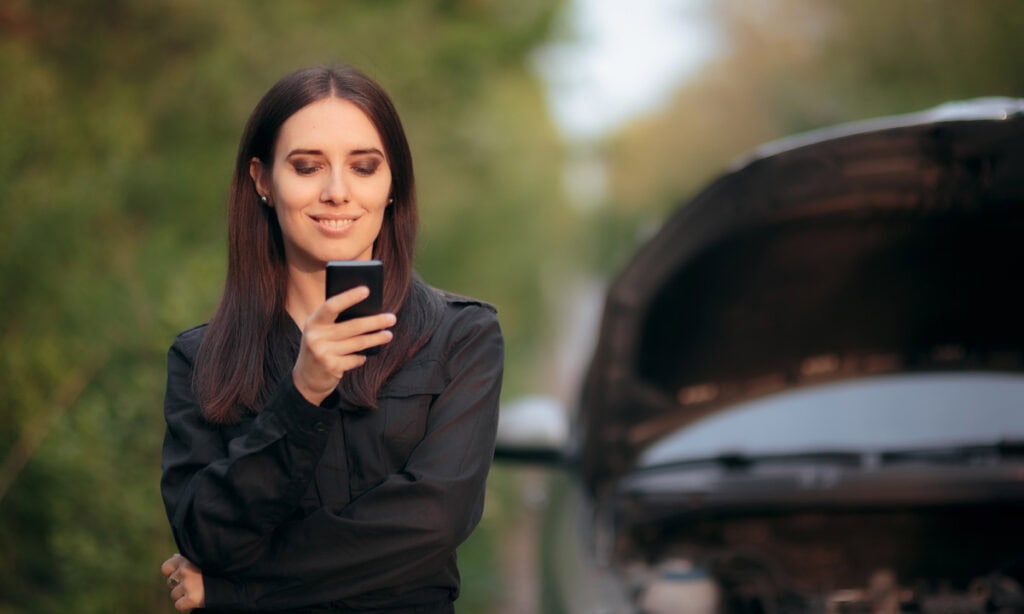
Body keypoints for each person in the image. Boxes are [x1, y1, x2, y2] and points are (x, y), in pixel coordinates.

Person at [158, 64, 504, 613]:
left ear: (393, 185)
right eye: (306, 166)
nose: (337, 192)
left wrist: (235, 591)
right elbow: (205, 536)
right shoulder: (201, 359)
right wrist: (301, 395)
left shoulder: (462, 337)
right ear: (263, 180)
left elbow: (433, 522)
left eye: (363, 167)